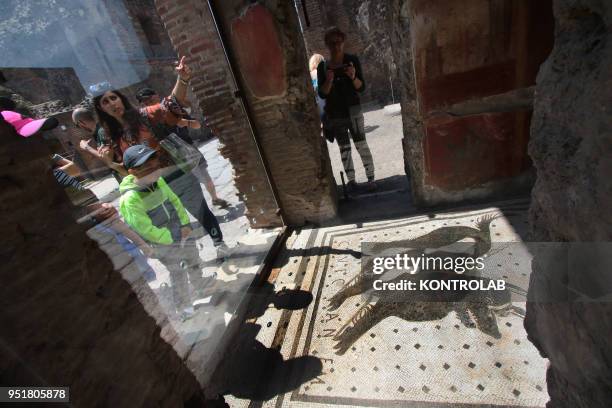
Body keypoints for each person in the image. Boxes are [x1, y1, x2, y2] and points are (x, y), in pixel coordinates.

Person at [93, 57, 229, 259]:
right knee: (174, 224)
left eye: (113, 98)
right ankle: (193, 261)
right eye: (105, 102)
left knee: (200, 211)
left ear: (121, 98)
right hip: (152, 189)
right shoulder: (112, 138)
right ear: (101, 109)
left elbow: (171, 103)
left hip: (176, 175)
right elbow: (128, 171)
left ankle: (219, 244)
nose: (112, 103)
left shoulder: (146, 115)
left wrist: (182, 79)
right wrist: (109, 163)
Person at [119, 144, 211, 317]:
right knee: (178, 271)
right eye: (148, 169)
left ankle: (200, 285)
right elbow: (145, 229)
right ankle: (183, 306)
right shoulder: (130, 198)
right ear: (132, 172)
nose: (156, 171)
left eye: (156, 166)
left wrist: (185, 224)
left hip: (179, 232)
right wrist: (173, 237)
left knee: (193, 257)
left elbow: (175, 201)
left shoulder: (158, 182)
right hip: (162, 243)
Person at [135, 87, 229, 208]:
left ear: (156, 96)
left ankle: (214, 198)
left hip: (188, 148)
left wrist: (185, 122)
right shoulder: (147, 119)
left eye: (149, 99)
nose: (147, 103)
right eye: (144, 102)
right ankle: (202, 206)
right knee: (190, 183)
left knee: (204, 176)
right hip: (171, 157)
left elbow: (196, 125)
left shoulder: (170, 108)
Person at [317, 27, 376, 192]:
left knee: (361, 144)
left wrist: (352, 76)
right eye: (332, 43)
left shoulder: (352, 60)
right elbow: (322, 94)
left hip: (353, 110)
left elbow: (361, 87)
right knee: (344, 149)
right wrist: (329, 80)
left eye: (338, 42)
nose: (336, 46)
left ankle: (371, 178)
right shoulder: (323, 67)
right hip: (335, 114)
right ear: (327, 45)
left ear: (343, 42)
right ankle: (352, 181)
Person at [72, 107, 127, 180]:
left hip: (125, 172)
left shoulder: (101, 131)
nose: (80, 128)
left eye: (77, 125)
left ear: (81, 123)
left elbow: (107, 158)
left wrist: (86, 147)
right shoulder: (99, 131)